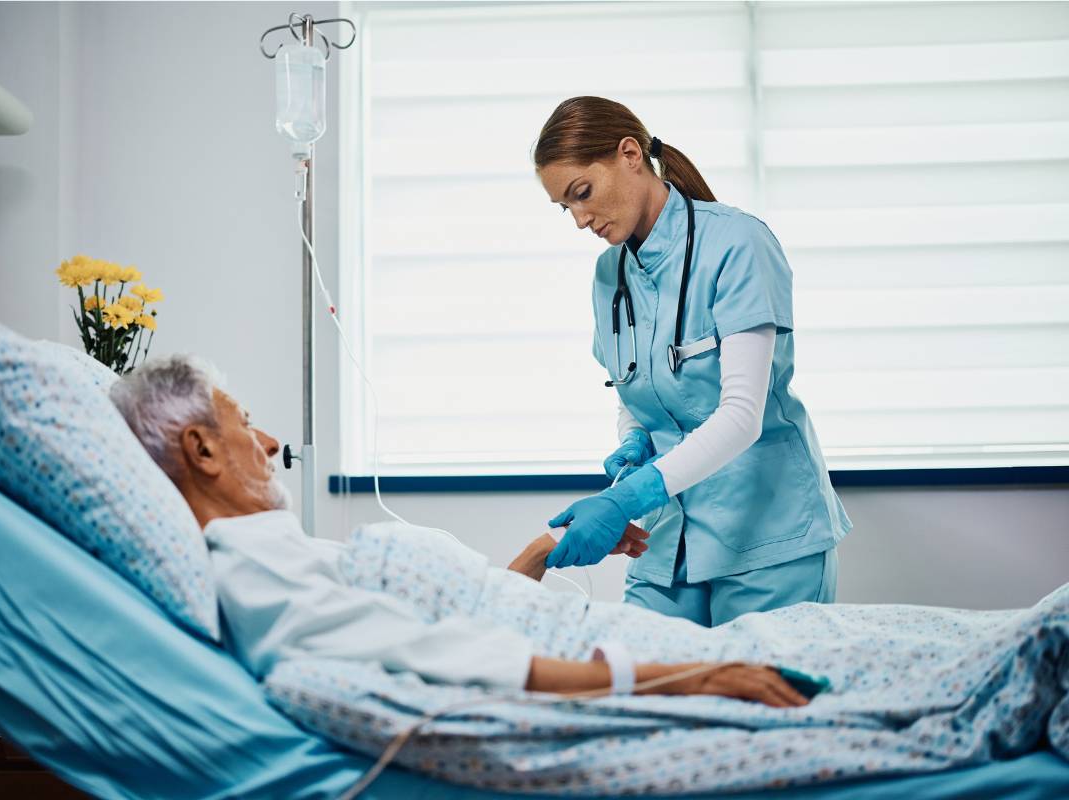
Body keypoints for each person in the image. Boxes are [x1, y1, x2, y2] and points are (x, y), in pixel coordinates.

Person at [109, 354, 809, 707]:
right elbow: (451, 655)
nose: (267, 441)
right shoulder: (255, 576)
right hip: (606, 655)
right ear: (201, 451)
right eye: (243, 422)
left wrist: (542, 552)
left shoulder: (277, 553)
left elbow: (454, 620)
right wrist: (690, 678)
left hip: (568, 624)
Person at [533, 96, 851, 627]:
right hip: (667, 546)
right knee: (641, 692)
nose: (580, 219)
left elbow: (741, 416)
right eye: (566, 207)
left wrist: (628, 497)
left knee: (754, 705)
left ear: (630, 154)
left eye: (582, 194)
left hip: (766, 541)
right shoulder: (609, 277)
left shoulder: (737, 244)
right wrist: (632, 443)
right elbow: (634, 391)